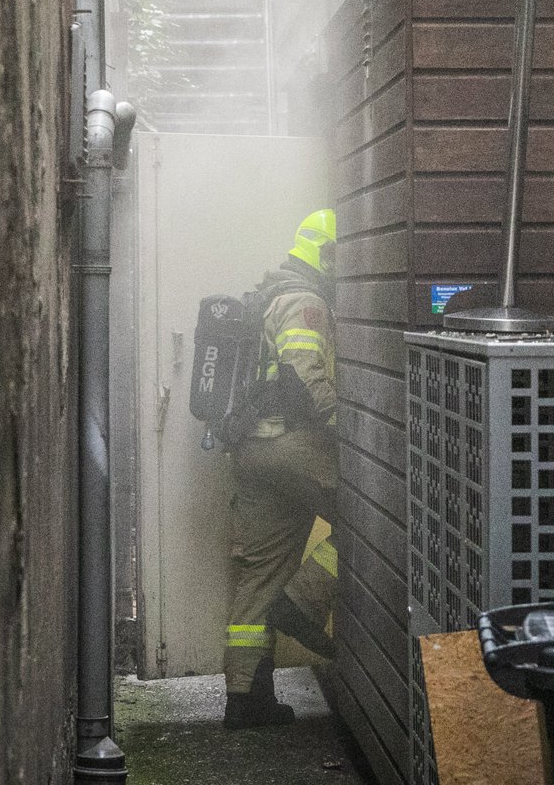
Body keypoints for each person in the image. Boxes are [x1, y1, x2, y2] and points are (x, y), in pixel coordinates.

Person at [222, 209, 340, 729]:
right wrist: (350, 430)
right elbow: (304, 374)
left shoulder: (268, 294)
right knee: (379, 523)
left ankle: (246, 698)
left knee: (259, 572)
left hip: (252, 451)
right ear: (328, 256)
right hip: (294, 445)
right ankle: (301, 603)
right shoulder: (304, 301)